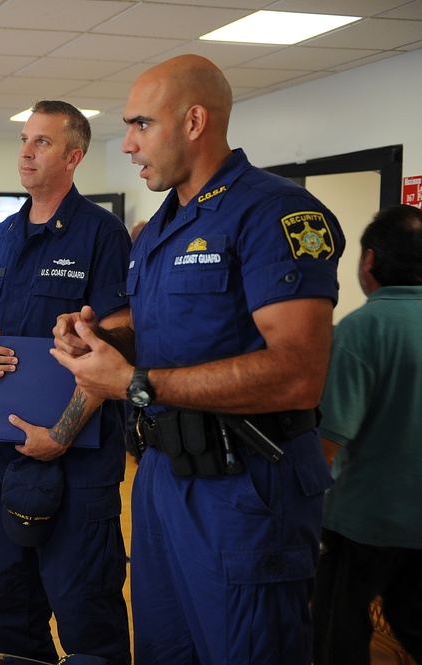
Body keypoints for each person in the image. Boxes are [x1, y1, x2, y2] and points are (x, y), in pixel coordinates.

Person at [51, 54, 344, 664]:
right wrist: (102, 341)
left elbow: (298, 373)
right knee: (163, 651)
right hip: (162, 475)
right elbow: (162, 334)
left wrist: (132, 382)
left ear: (193, 122)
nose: (127, 144)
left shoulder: (276, 214)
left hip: (245, 485)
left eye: (140, 125)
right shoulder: (161, 227)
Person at [0, 99, 132, 664]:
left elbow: (114, 345)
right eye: (23, 140)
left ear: (74, 156)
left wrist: (62, 434)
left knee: (87, 613)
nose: (26, 151)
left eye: (42, 142)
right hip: (8, 457)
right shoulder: (5, 236)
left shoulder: (102, 235)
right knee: (7, 609)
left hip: (77, 459)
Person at [311, 204, 422, 664]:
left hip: (362, 522)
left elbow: (329, 441)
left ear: (369, 261)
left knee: (338, 633)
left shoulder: (360, 331)